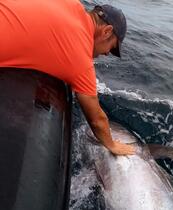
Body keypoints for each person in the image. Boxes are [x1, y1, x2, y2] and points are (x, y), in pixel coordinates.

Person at [0, 0, 135, 156]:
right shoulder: (80, 61)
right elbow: (97, 120)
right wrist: (112, 145)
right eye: (111, 48)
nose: (106, 54)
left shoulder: (71, 3)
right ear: (106, 31)